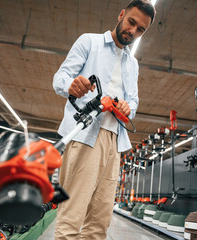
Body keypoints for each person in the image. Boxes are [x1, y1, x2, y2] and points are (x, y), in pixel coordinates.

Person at [52, 1, 155, 239]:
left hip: (115, 142)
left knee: (99, 222)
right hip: (86, 135)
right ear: (121, 15)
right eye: (132, 22)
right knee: (73, 215)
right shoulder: (90, 42)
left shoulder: (133, 63)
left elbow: (134, 101)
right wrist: (72, 84)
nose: (133, 31)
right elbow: (60, 78)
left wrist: (129, 108)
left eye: (141, 30)